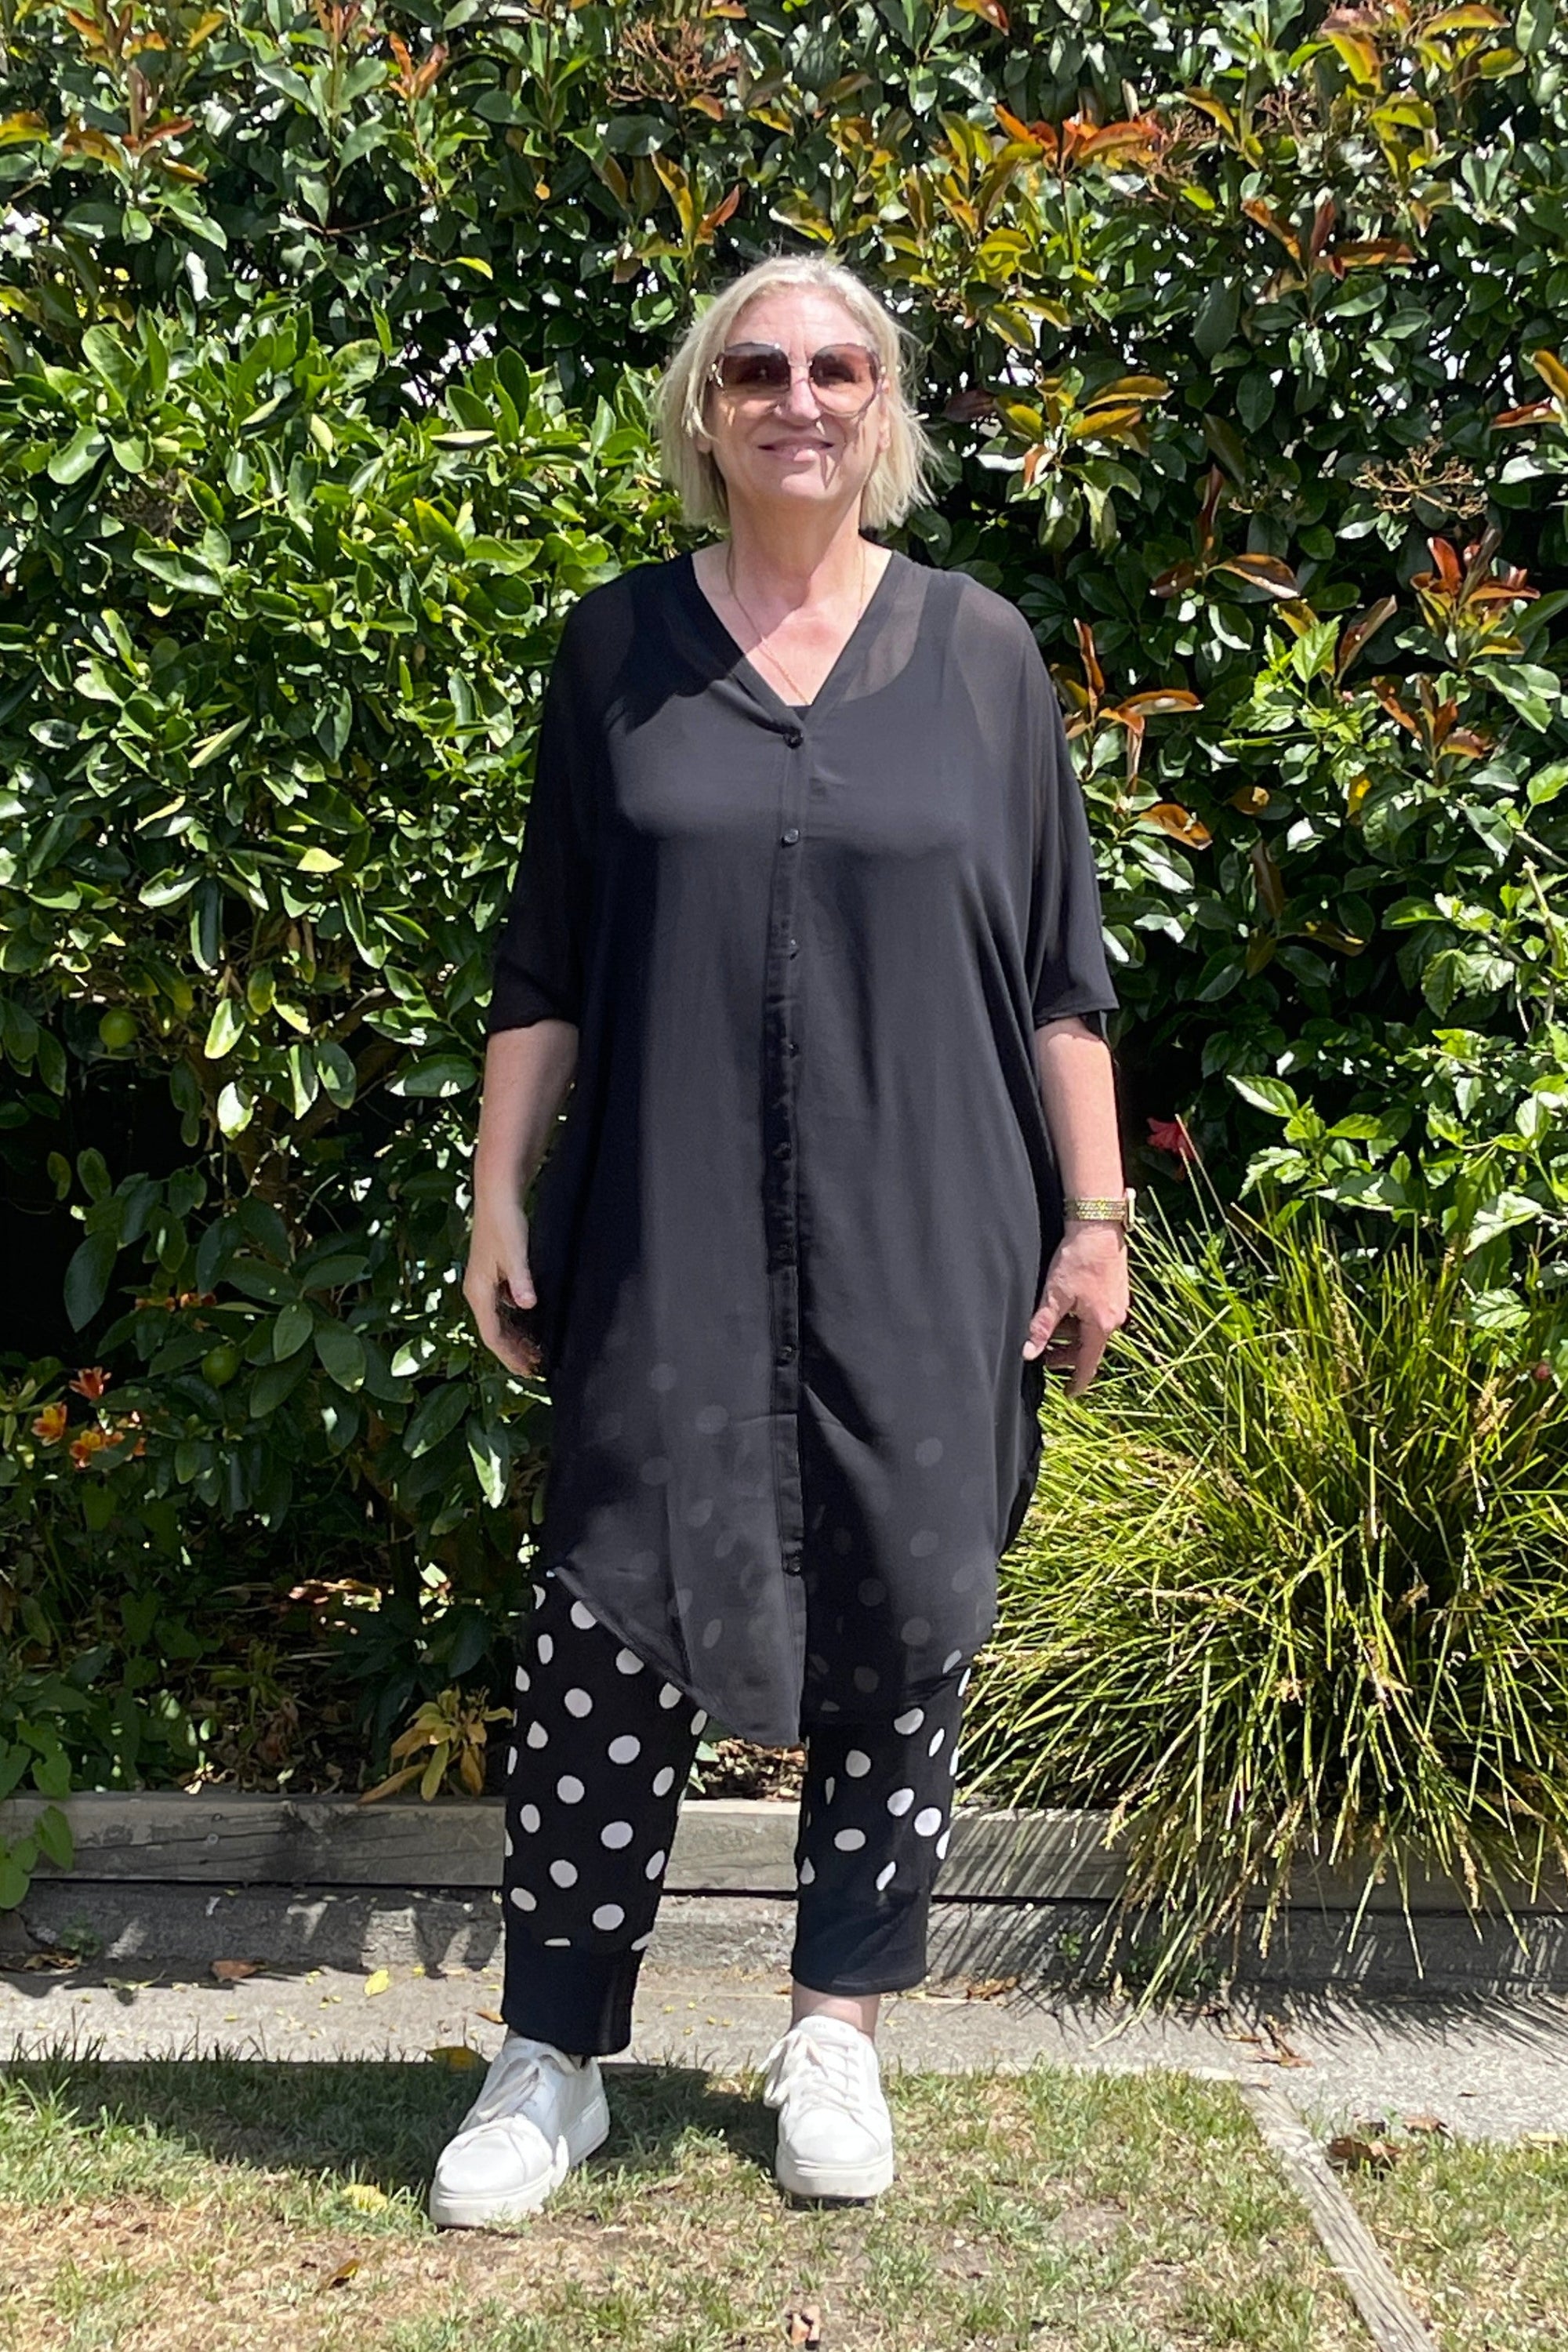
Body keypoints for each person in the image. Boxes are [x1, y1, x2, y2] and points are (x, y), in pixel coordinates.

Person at [428, 252, 1131, 2228]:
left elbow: (1059, 980)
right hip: (661, 1219)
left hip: (933, 1220)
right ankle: (551, 2054)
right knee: (609, 1611)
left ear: (881, 404)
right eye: (756, 368)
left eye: (835, 368)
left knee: (906, 1608)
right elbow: (545, 958)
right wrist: (499, 1186)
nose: (795, 398)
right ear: (704, 406)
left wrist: (1093, 1219)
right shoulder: (617, 651)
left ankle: (837, 2029)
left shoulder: (981, 655)